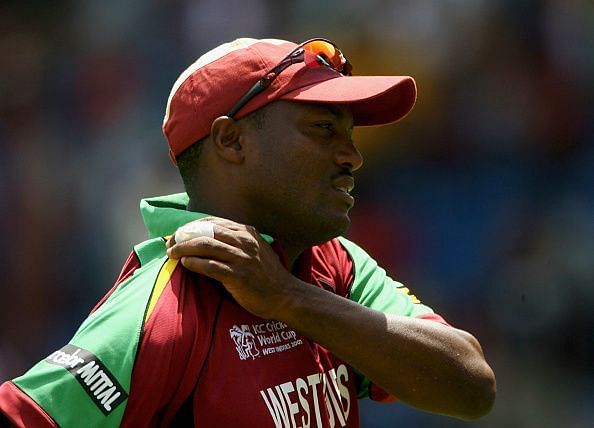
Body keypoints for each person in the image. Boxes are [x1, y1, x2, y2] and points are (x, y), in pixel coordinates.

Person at [0, 37, 495, 427]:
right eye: (323, 129)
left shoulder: (331, 263)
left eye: (350, 134)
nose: (352, 157)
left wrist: (287, 298)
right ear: (231, 141)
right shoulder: (165, 307)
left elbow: (471, 385)